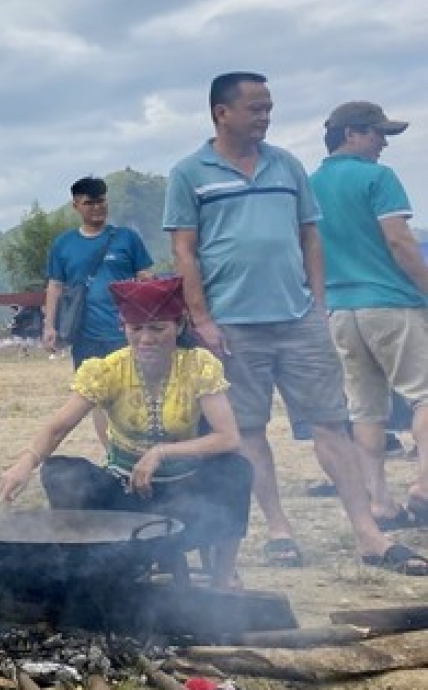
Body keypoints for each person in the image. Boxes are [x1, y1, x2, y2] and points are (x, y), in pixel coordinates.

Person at [164, 71, 423, 574]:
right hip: (232, 325)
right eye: (255, 108)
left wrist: (316, 301)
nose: (266, 116)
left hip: (298, 318)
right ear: (222, 112)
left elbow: (310, 235)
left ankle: (369, 534)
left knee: (331, 423)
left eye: (268, 107)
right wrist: (202, 318)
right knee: (250, 430)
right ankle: (280, 530)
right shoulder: (190, 172)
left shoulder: (287, 166)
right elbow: (184, 249)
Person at [0, 277, 253, 588]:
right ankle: (96, 571)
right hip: (125, 496)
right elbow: (59, 426)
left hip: (184, 497)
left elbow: (228, 438)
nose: (146, 339)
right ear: (124, 328)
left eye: (157, 329)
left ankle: (223, 576)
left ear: (180, 325)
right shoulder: (108, 370)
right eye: (136, 329)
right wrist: (25, 463)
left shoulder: (199, 366)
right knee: (62, 471)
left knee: (235, 469)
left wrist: (160, 452)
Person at [310, 101, 428, 529]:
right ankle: (424, 488)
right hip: (391, 302)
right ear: (351, 134)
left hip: (341, 311)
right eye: (377, 134)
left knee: (366, 410)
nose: (382, 144)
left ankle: (379, 502)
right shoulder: (379, 178)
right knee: (425, 395)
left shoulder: (311, 184)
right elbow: (399, 242)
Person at [44, 176, 154, 445]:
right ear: (76, 206)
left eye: (101, 201)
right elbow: (55, 286)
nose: (97, 208)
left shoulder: (127, 239)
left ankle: (138, 447)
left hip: (127, 331)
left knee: (136, 391)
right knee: (96, 397)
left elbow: (146, 276)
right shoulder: (63, 244)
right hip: (85, 334)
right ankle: (112, 454)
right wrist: (49, 326)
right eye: (89, 203)